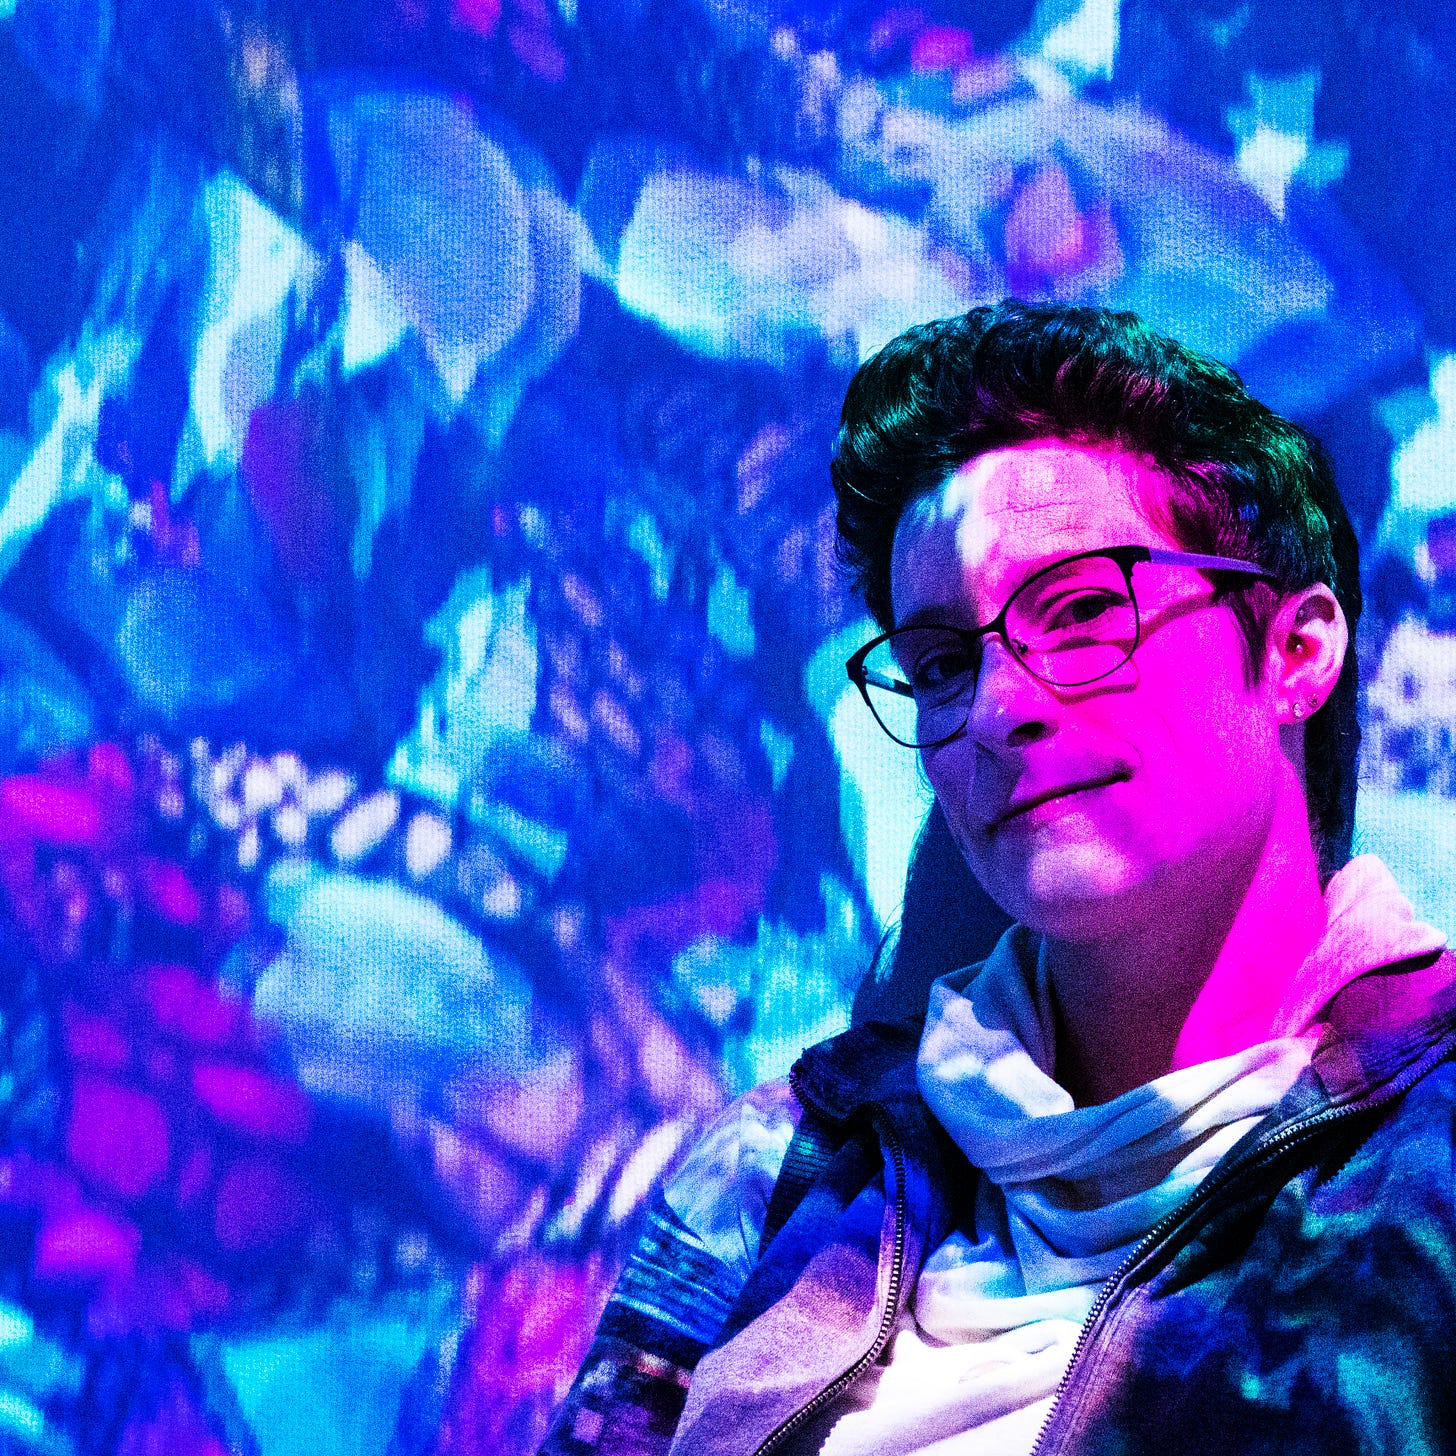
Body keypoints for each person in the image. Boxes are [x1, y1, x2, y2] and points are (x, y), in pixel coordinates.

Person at [539, 302, 1456, 1455]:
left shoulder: (1427, 1164)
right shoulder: (785, 1166)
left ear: (1294, 652)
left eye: (1081, 611)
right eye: (940, 663)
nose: (998, 705)